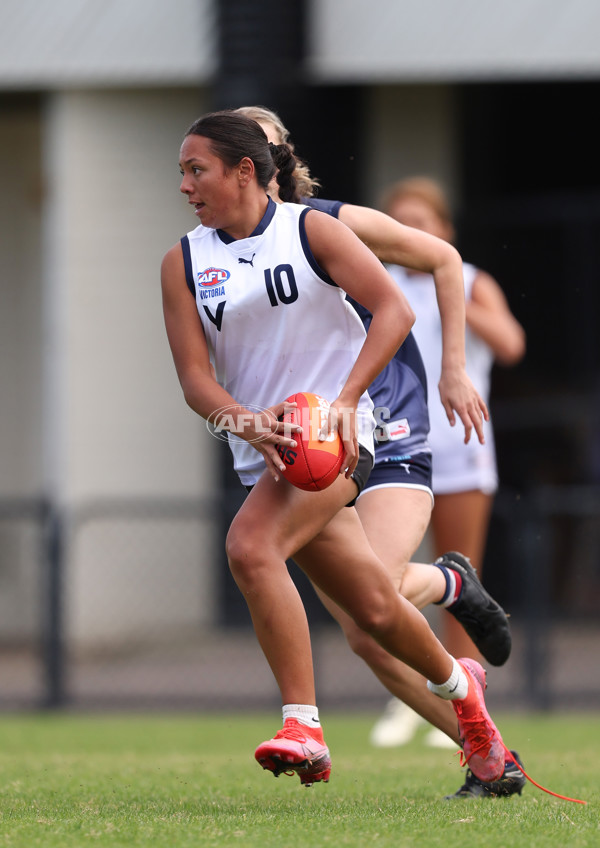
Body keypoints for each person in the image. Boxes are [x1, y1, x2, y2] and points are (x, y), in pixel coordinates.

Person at [161, 110, 509, 792]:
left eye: (194, 169)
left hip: (349, 435)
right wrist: (242, 420)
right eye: (180, 172)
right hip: (273, 452)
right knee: (373, 613)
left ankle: (303, 726)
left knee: (251, 548)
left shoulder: (317, 225)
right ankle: (466, 700)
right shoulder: (183, 261)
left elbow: (402, 305)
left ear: (248, 166)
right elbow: (195, 380)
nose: (184, 185)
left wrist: (362, 396)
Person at [369, 178, 527, 756]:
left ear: (445, 231)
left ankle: (468, 693)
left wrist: (447, 290)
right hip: (392, 445)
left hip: (459, 446)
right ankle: (413, 691)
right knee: (383, 571)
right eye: (401, 222)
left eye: (423, 222)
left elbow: (511, 343)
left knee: (461, 573)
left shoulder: (469, 281)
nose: (412, 232)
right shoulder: (374, 285)